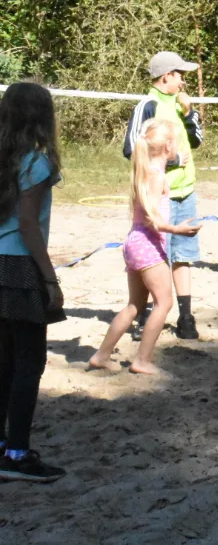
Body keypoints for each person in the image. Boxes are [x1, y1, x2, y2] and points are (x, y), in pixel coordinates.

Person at [89, 120, 203, 375]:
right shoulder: (155, 176)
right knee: (164, 303)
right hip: (147, 245)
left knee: (134, 306)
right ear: (168, 146)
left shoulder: (146, 171)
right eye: (176, 141)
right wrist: (177, 229)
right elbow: (152, 219)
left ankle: (102, 355)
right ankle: (142, 360)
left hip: (135, 243)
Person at [0, 82, 67, 483]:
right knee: (29, 362)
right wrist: (50, 278)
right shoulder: (35, 164)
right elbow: (28, 226)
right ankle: (18, 453)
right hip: (19, 267)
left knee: (4, 361)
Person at [122, 51, 203, 340]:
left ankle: (185, 315)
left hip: (185, 191)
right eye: (180, 75)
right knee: (153, 257)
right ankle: (144, 315)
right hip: (158, 196)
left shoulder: (181, 105)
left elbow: (197, 141)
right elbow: (132, 149)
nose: (183, 81)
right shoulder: (147, 106)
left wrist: (189, 114)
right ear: (166, 76)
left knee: (183, 255)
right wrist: (171, 162)